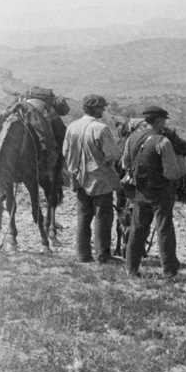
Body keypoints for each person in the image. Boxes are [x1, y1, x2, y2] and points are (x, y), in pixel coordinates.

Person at [121, 105, 182, 278]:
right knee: (164, 229)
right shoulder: (163, 141)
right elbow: (171, 172)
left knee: (137, 229)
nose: (164, 123)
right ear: (159, 120)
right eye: (163, 120)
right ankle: (169, 271)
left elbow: (125, 164)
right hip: (161, 193)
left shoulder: (132, 139)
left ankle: (131, 269)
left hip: (140, 192)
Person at [62, 94, 121, 263]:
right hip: (100, 180)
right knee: (103, 217)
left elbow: (65, 152)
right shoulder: (100, 129)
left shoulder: (72, 127)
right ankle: (103, 255)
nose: (103, 110)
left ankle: (82, 254)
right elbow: (114, 154)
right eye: (101, 107)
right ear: (94, 109)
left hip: (79, 179)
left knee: (83, 217)